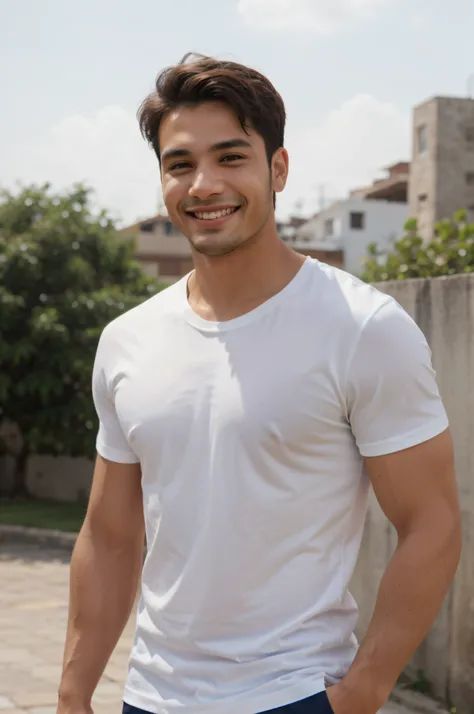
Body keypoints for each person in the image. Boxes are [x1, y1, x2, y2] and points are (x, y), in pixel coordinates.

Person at [57, 54, 462, 714]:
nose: (204, 184)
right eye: (180, 164)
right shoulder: (127, 341)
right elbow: (109, 537)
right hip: (151, 697)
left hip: (295, 695)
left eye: (231, 157)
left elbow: (433, 523)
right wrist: (74, 694)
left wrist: (362, 692)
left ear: (277, 169)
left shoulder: (362, 328)